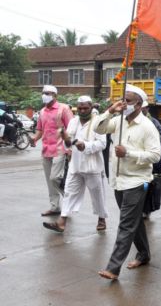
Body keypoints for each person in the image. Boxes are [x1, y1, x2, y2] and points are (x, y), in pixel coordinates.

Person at [94, 84, 161, 280]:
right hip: (118, 180)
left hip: (137, 181)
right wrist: (110, 110)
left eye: (128, 101)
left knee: (125, 224)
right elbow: (99, 128)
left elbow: (155, 156)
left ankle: (113, 268)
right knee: (134, 221)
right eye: (123, 100)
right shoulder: (118, 120)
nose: (125, 104)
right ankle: (144, 254)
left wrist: (128, 153)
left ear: (139, 104)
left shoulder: (147, 126)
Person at [42, 96, 108, 233]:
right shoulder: (73, 121)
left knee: (97, 195)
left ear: (91, 108)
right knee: (69, 193)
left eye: (85, 108)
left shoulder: (98, 122)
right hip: (76, 165)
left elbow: (102, 144)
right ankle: (62, 221)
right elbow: (69, 143)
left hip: (93, 166)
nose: (82, 110)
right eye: (80, 108)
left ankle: (101, 218)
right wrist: (65, 137)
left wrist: (85, 145)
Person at [29, 85, 74, 216]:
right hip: (46, 149)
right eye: (43, 93)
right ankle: (55, 207)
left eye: (48, 93)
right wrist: (34, 139)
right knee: (49, 180)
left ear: (55, 95)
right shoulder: (42, 111)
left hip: (60, 148)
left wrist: (70, 148)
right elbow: (40, 130)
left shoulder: (63, 109)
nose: (44, 95)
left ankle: (69, 198)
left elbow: (71, 128)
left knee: (55, 178)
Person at [141, 101, 161, 218]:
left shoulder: (154, 122)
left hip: (153, 161)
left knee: (151, 186)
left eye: (143, 108)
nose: (141, 111)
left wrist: (153, 149)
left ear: (147, 108)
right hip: (139, 160)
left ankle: (147, 209)